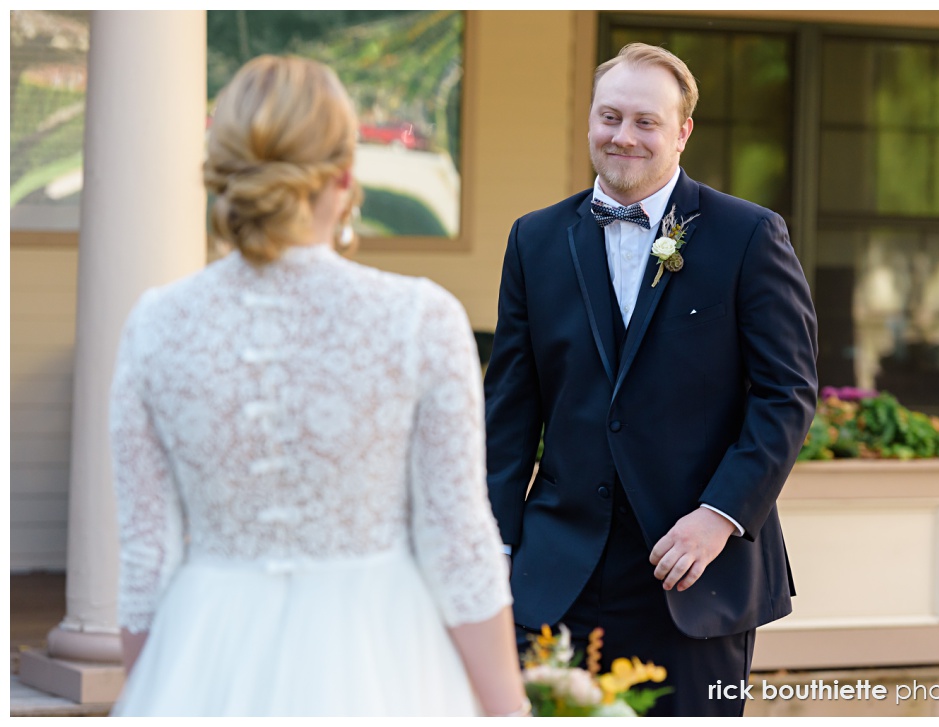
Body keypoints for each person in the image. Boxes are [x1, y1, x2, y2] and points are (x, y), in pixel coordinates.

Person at [109, 55, 529, 717]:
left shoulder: (155, 325)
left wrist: (158, 685)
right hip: (381, 656)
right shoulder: (420, 319)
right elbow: (458, 544)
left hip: (206, 651)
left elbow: (144, 558)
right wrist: (510, 709)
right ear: (344, 173)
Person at [484, 43, 818, 717]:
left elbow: (787, 396)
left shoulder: (749, 235)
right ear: (589, 121)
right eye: (610, 117)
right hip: (555, 577)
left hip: (693, 574)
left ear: (682, 132)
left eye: (646, 121)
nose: (624, 136)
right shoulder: (534, 240)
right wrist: (494, 547)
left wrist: (719, 517)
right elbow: (510, 414)